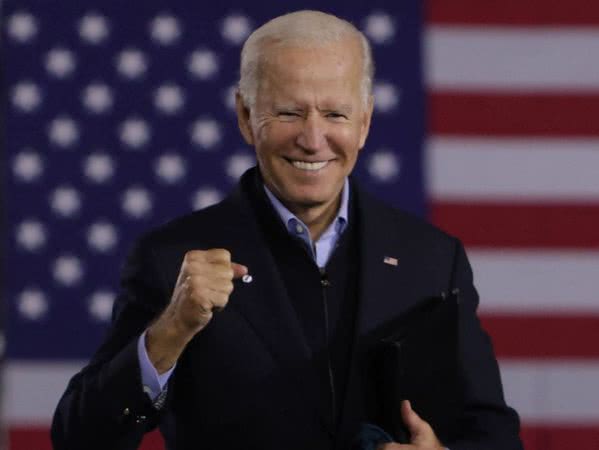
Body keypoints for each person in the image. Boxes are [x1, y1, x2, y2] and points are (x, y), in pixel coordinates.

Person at [51, 10, 522, 450]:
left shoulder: (432, 259)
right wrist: (170, 332)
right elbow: (79, 437)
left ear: (364, 122)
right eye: (289, 113)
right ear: (245, 117)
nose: (312, 139)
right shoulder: (170, 258)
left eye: (335, 114)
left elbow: (492, 432)